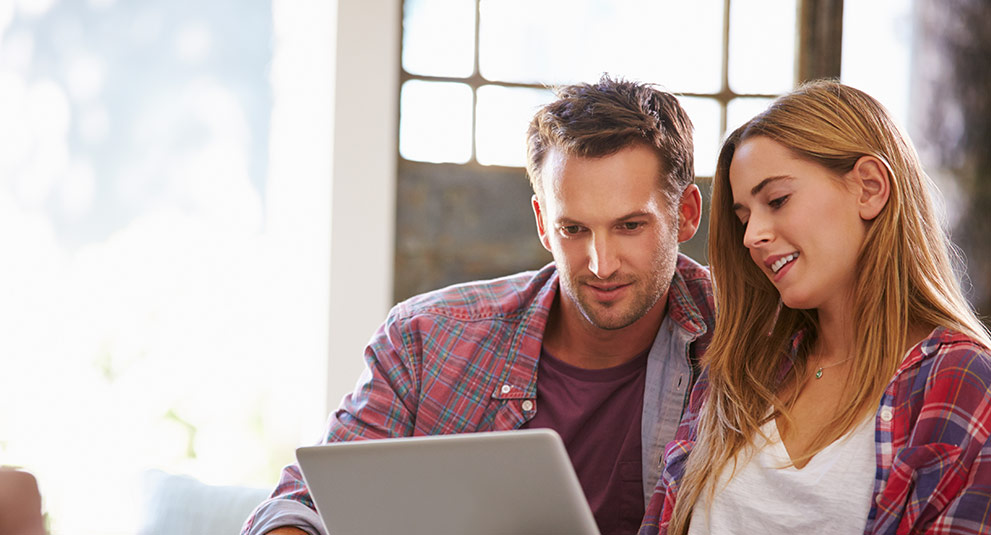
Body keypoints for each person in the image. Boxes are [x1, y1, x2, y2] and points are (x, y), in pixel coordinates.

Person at [242, 75, 714, 535]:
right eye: (574, 229)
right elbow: (304, 502)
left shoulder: (747, 337)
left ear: (686, 213)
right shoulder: (424, 339)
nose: (602, 263)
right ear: (543, 224)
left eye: (630, 226)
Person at [639, 80, 991, 535]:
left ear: (869, 188)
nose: (751, 237)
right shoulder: (737, 373)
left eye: (778, 200)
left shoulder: (962, 381)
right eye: (744, 217)